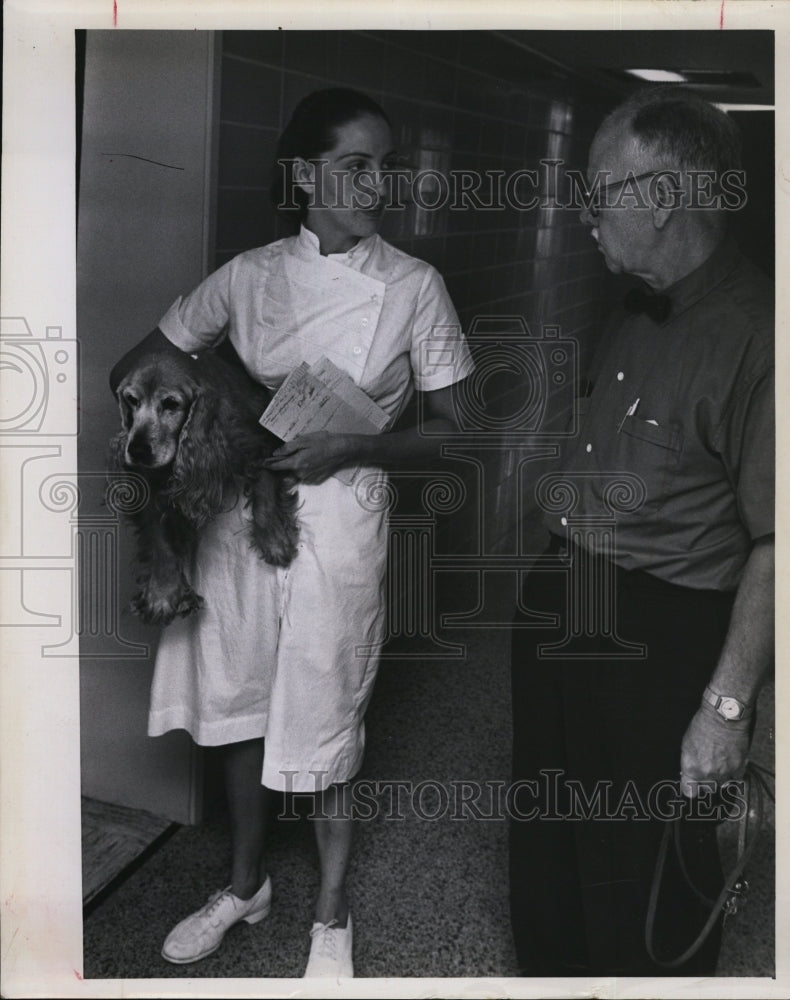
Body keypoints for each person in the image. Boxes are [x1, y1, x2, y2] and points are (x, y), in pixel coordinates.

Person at [110, 87, 474, 977]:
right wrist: (213, 396)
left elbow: (460, 435)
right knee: (238, 706)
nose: (378, 183)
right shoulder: (248, 276)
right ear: (305, 172)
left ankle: (332, 913)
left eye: (385, 165)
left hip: (343, 521)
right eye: (357, 164)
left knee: (324, 709)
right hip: (239, 518)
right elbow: (135, 363)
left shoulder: (413, 288)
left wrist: (355, 442)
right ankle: (244, 886)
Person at [509, 87, 774, 977]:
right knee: (548, 831)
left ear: (662, 201)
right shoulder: (635, 300)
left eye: (601, 192)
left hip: (662, 632)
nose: (585, 214)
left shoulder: (763, 338)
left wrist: (726, 710)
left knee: (647, 863)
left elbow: (782, 545)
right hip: (564, 595)